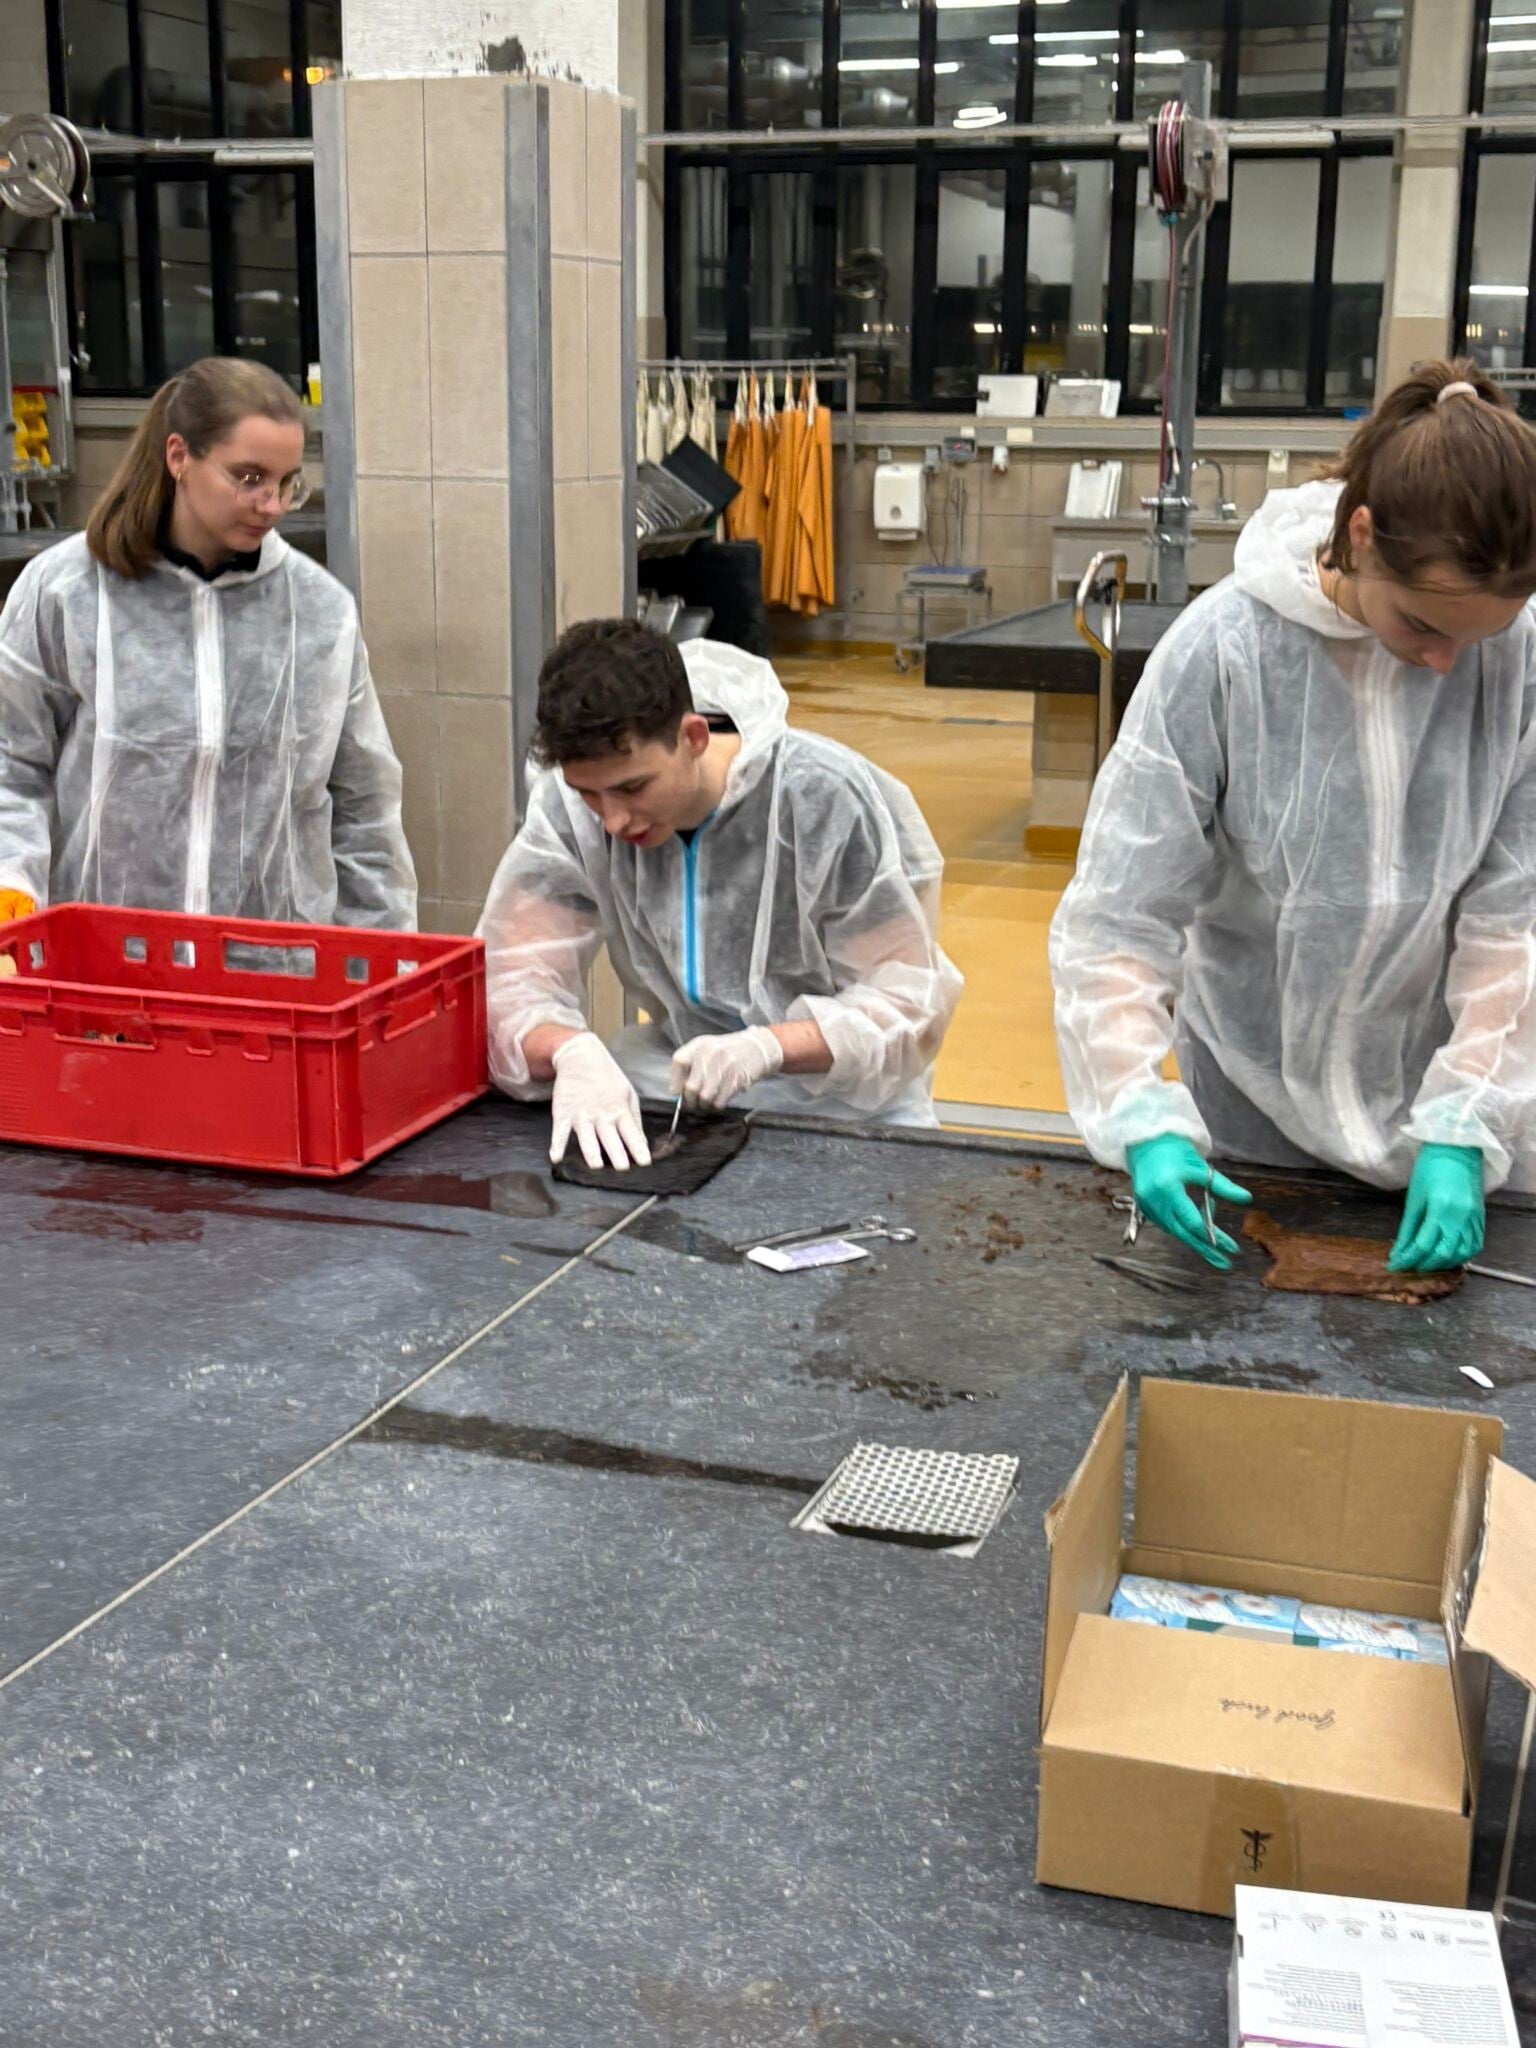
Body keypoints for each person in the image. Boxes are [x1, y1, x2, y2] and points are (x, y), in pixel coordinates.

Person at [1051, 358, 1536, 1275]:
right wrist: (1139, 1110)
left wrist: (1467, 1120)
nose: (1446, 663)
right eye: (1423, 625)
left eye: (1481, 636)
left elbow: (1514, 914)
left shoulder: (1518, 659)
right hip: (1251, 1122)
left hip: (1447, 1112)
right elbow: (1120, 916)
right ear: (1361, 535)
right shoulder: (1223, 652)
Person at [478, 619, 962, 1169]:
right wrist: (568, 1049)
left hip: (848, 1105)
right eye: (589, 793)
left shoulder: (819, 800)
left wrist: (768, 1047)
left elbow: (905, 1005)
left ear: (693, 737)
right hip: (681, 1090)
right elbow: (511, 982)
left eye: (633, 787)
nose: (612, 820)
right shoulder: (571, 812)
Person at [0, 356, 415, 929]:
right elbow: (11, 760)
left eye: (287, 483)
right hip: (105, 957)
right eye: (249, 478)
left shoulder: (319, 611)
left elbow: (364, 808)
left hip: (273, 965)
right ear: (179, 457)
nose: (272, 504)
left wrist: (384, 953)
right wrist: (12, 887)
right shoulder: (67, 590)